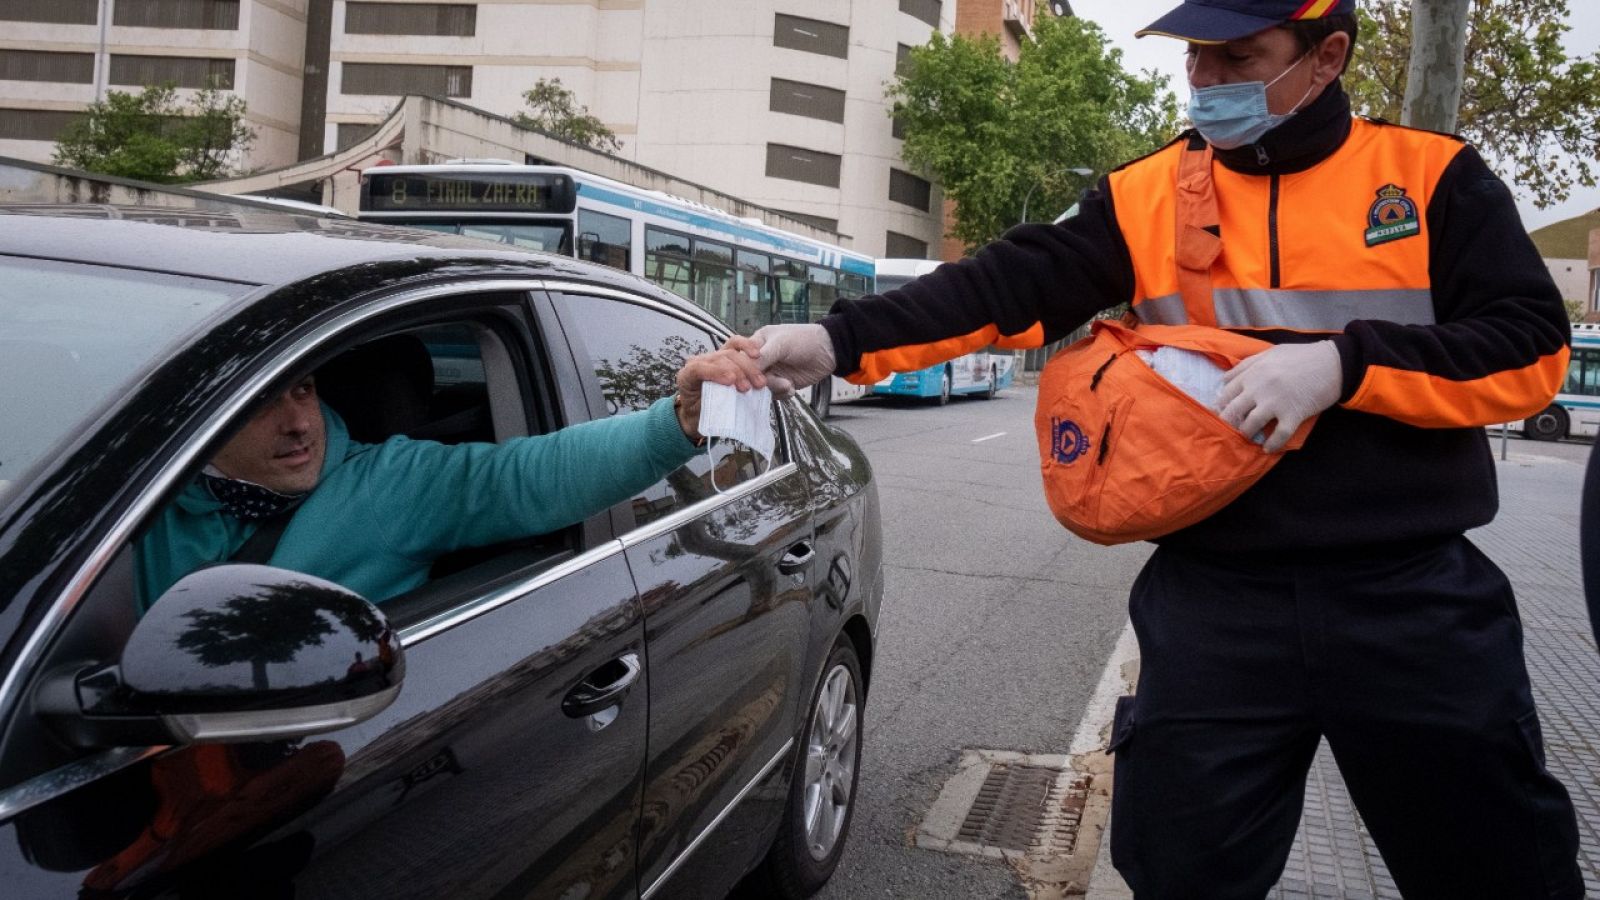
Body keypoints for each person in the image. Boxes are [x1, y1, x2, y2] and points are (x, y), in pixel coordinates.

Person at [746, 0, 1583, 896]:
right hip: (1217, 601)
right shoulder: (1147, 195)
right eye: (1196, 59)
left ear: (1326, 55)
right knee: (1180, 871)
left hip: (1410, 598)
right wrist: (840, 342)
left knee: (1496, 869)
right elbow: (1009, 284)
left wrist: (1347, 364)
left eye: (1237, 56)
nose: (1207, 81)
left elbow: (1531, 349)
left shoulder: (1430, 179)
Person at [136, 344, 766, 610]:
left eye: (303, 390)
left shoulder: (388, 484)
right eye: (265, 403)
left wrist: (676, 425)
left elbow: (524, 477)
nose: (299, 423)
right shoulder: (141, 502)